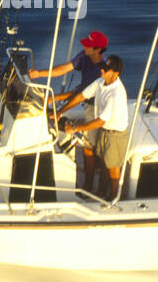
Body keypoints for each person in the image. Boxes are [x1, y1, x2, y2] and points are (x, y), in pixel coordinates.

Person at [29, 31, 108, 189]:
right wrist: (39, 74)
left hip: (97, 107)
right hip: (86, 102)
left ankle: (88, 186)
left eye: (88, 44)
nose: (84, 46)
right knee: (86, 144)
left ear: (98, 49)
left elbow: (81, 95)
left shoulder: (101, 70)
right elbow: (63, 69)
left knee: (88, 147)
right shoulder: (84, 56)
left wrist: (55, 101)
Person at [55, 55, 128, 201]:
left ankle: (113, 200)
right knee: (103, 162)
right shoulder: (102, 81)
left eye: (106, 69)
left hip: (115, 134)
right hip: (105, 130)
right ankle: (101, 194)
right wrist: (60, 111)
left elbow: (100, 121)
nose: (101, 70)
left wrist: (75, 128)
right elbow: (81, 96)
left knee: (113, 169)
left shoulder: (115, 94)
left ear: (116, 73)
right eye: (102, 67)